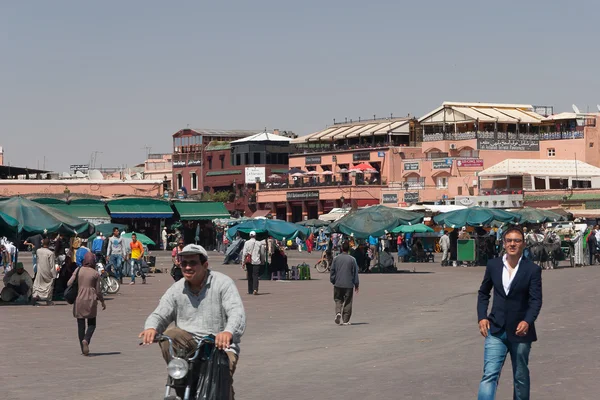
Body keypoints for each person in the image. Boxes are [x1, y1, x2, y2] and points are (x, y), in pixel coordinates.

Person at [139, 244, 246, 399]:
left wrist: (228, 332)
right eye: (184, 263)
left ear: (205, 265)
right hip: (188, 349)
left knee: (216, 390)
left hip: (219, 348)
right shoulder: (176, 289)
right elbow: (160, 313)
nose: (188, 267)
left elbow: (236, 312)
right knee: (169, 335)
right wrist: (151, 328)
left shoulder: (223, 283)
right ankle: (182, 382)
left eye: (193, 263)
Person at [477, 226, 543, 400]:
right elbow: (483, 293)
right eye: (509, 240)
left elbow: (535, 300)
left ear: (523, 244)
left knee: (520, 377)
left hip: (521, 332)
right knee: (489, 375)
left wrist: (528, 321)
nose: (512, 244)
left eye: (517, 240)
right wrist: (482, 317)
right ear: (504, 243)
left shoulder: (532, 270)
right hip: (496, 329)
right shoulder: (493, 265)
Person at [68, 252, 106, 356]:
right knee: (92, 324)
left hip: (79, 299)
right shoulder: (95, 273)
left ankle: (82, 348)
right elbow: (98, 291)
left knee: (81, 326)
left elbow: (69, 283)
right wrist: (102, 301)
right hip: (91, 300)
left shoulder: (78, 270)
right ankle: (86, 340)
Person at [330, 241, 359, 325]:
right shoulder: (352, 259)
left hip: (338, 283)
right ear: (349, 249)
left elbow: (332, 271)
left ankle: (338, 312)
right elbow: (355, 273)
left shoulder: (336, 258)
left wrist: (333, 280)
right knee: (348, 301)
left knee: (338, 299)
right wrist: (356, 284)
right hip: (349, 284)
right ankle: (345, 320)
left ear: (341, 248)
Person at [31, 239, 57, 306]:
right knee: (49, 285)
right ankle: (48, 300)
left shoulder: (38, 251)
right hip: (47, 272)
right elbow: (52, 265)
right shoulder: (50, 253)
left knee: (37, 284)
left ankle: (35, 296)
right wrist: (54, 275)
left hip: (40, 270)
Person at [242, 231, 264, 295]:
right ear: (255, 236)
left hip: (249, 262)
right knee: (255, 276)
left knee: (249, 276)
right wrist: (262, 261)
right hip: (256, 261)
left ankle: (250, 290)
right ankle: (255, 289)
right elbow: (262, 253)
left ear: (249, 236)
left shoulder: (246, 243)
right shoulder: (259, 243)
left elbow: (244, 253)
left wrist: (243, 262)